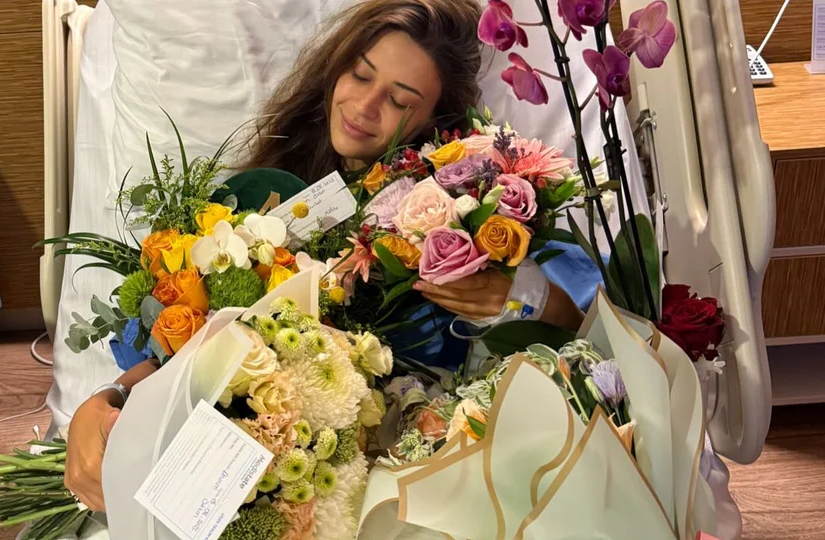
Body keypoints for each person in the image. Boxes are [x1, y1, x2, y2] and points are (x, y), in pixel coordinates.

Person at [64, 0, 585, 512]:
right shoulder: (268, 197)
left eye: (399, 100)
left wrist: (522, 295)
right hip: (260, 464)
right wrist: (105, 400)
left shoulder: (459, 223)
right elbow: (188, 342)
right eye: (360, 75)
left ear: (435, 118)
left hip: (410, 475)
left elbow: (586, 331)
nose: (364, 107)